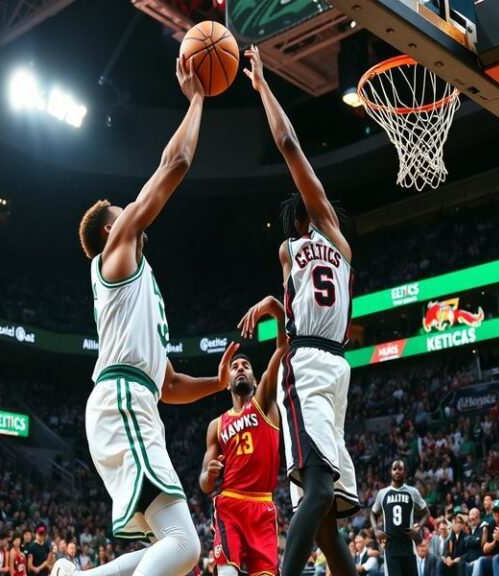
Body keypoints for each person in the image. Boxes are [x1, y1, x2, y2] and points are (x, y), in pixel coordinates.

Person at [52, 56, 236, 576]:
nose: (131, 212)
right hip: (121, 401)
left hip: (136, 400)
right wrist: (197, 98)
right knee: (185, 545)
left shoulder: (140, 282)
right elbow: (174, 166)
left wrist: (217, 384)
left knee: (172, 541)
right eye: (123, 213)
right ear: (112, 232)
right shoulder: (113, 257)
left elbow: (170, 382)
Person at [244, 43, 360, 576]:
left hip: (335, 370)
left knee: (330, 518)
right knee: (316, 493)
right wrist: (264, 85)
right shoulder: (293, 248)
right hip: (308, 363)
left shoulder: (337, 242)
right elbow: (288, 143)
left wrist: (273, 303)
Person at [199, 295, 287, 576]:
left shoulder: (264, 402)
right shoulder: (216, 424)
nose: (239, 369)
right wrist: (210, 475)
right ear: (227, 385)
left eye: (245, 366)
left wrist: (275, 308)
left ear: (256, 379)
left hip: (262, 505)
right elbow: (203, 483)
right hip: (230, 503)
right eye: (234, 366)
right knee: (227, 573)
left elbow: (284, 345)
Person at [371, 460, 429, 576]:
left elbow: (426, 513)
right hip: (391, 546)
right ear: (390, 472)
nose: (397, 471)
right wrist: (376, 529)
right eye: (394, 469)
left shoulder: (412, 492)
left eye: (400, 469)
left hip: (408, 545)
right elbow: (373, 514)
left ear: (405, 472)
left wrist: (418, 528)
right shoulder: (383, 493)